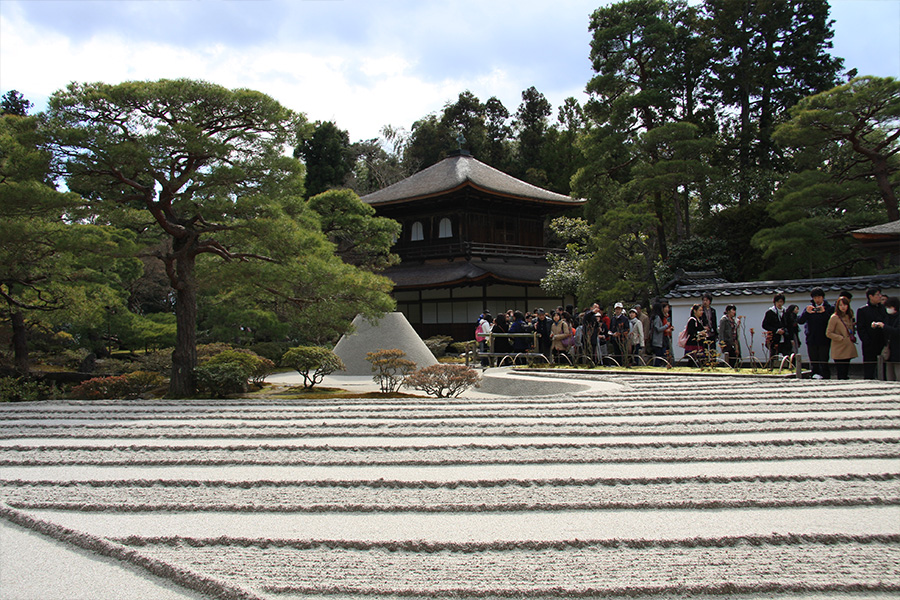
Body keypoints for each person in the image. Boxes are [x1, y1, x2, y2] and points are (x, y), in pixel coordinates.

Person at [797, 288, 832, 380]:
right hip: (811, 338)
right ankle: (814, 376)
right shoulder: (809, 308)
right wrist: (807, 313)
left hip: (824, 338)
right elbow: (800, 321)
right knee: (813, 360)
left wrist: (823, 312)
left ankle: (826, 377)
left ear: (823, 297)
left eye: (819, 297)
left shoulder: (829, 308)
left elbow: (831, 322)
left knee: (824, 360)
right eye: (815, 297)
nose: (817, 300)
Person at [857, 287, 887, 380]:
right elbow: (861, 328)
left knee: (884, 368)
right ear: (871, 296)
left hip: (883, 342)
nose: (880, 296)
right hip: (869, 344)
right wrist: (867, 341)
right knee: (869, 368)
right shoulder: (863, 310)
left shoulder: (883, 309)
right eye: (877, 294)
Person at [827, 295, 858, 380]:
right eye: (840, 305)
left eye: (845, 305)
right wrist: (840, 338)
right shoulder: (834, 317)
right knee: (840, 371)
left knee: (846, 369)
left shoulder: (849, 316)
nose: (843, 307)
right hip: (839, 346)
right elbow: (828, 333)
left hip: (848, 345)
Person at [762, 293, 792, 359]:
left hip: (785, 337)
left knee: (787, 355)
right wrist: (776, 330)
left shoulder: (786, 312)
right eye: (777, 302)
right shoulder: (770, 312)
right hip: (774, 338)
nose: (779, 304)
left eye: (781, 302)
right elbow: (765, 325)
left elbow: (790, 325)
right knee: (774, 356)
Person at [881, 296, 900, 382]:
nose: (887, 309)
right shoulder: (887, 318)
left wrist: (884, 326)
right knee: (889, 377)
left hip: (897, 350)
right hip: (889, 350)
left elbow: (897, 331)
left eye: (889, 307)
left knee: (898, 374)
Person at [650, 302, 673, 367]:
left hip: (657, 340)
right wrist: (666, 326)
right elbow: (658, 329)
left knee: (660, 355)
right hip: (657, 340)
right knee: (659, 355)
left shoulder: (655, 317)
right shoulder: (657, 318)